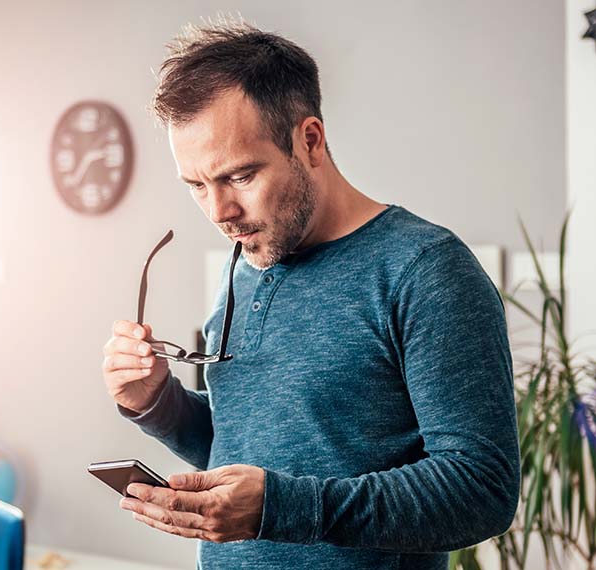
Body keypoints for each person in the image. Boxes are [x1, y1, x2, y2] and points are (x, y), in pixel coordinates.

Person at [101, 20, 520, 570]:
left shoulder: (425, 271)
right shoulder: (250, 265)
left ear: (311, 140)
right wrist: (156, 403)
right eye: (198, 186)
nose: (219, 212)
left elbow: (480, 490)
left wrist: (284, 507)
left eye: (241, 176)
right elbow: (251, 450)